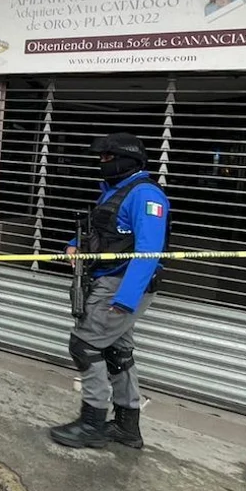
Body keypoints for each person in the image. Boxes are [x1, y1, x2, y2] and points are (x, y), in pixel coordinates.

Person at [50, 132, 169, 450]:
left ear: (127, 159)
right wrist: (75, 245)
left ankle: (93, 423)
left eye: (107, 158)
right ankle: (127, 426)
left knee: (85, 346)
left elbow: (148, 252)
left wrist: (125, 300)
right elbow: (104, 232)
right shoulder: (115, 191)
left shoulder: (146, 196)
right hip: (107, 280)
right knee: (117, 351)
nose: (102, 163)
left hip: (122, 284)